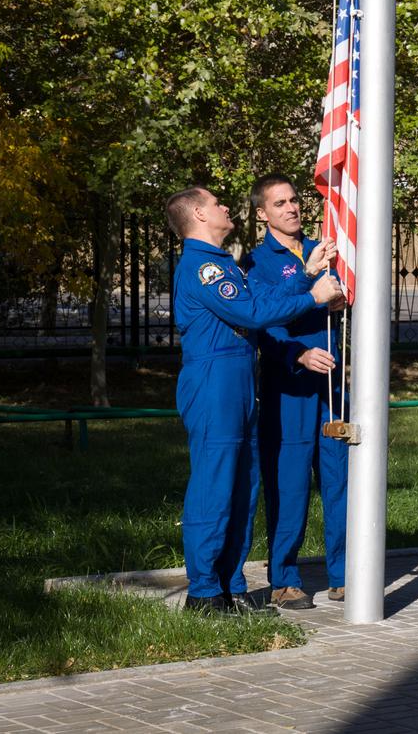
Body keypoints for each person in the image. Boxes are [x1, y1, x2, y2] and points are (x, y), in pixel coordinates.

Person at [166, 186, 343, 615]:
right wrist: (313, 296)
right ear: (198, 214)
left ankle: (231, 586)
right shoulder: (203, 267)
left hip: (238, 383)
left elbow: (257, 300)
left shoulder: (221, 264)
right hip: (215, 384)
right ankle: (204, 592)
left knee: (243, 487)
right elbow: (251, 313)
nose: (226, 207)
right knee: (215, 486)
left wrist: (303, 277)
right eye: (216, 204)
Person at [243, 175, 349, 609]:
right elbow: (261, 324)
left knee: (340, 477)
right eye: (280, 203)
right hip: (290, 388)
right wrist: (298, 355)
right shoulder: (257, 263)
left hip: (333, 388)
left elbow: (345, 300)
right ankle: (284, 577)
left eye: (294, 200)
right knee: (289, 484)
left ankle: (344, 573)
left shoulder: (323, 250)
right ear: (262, 213)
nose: (291, 208)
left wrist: (341, 298)